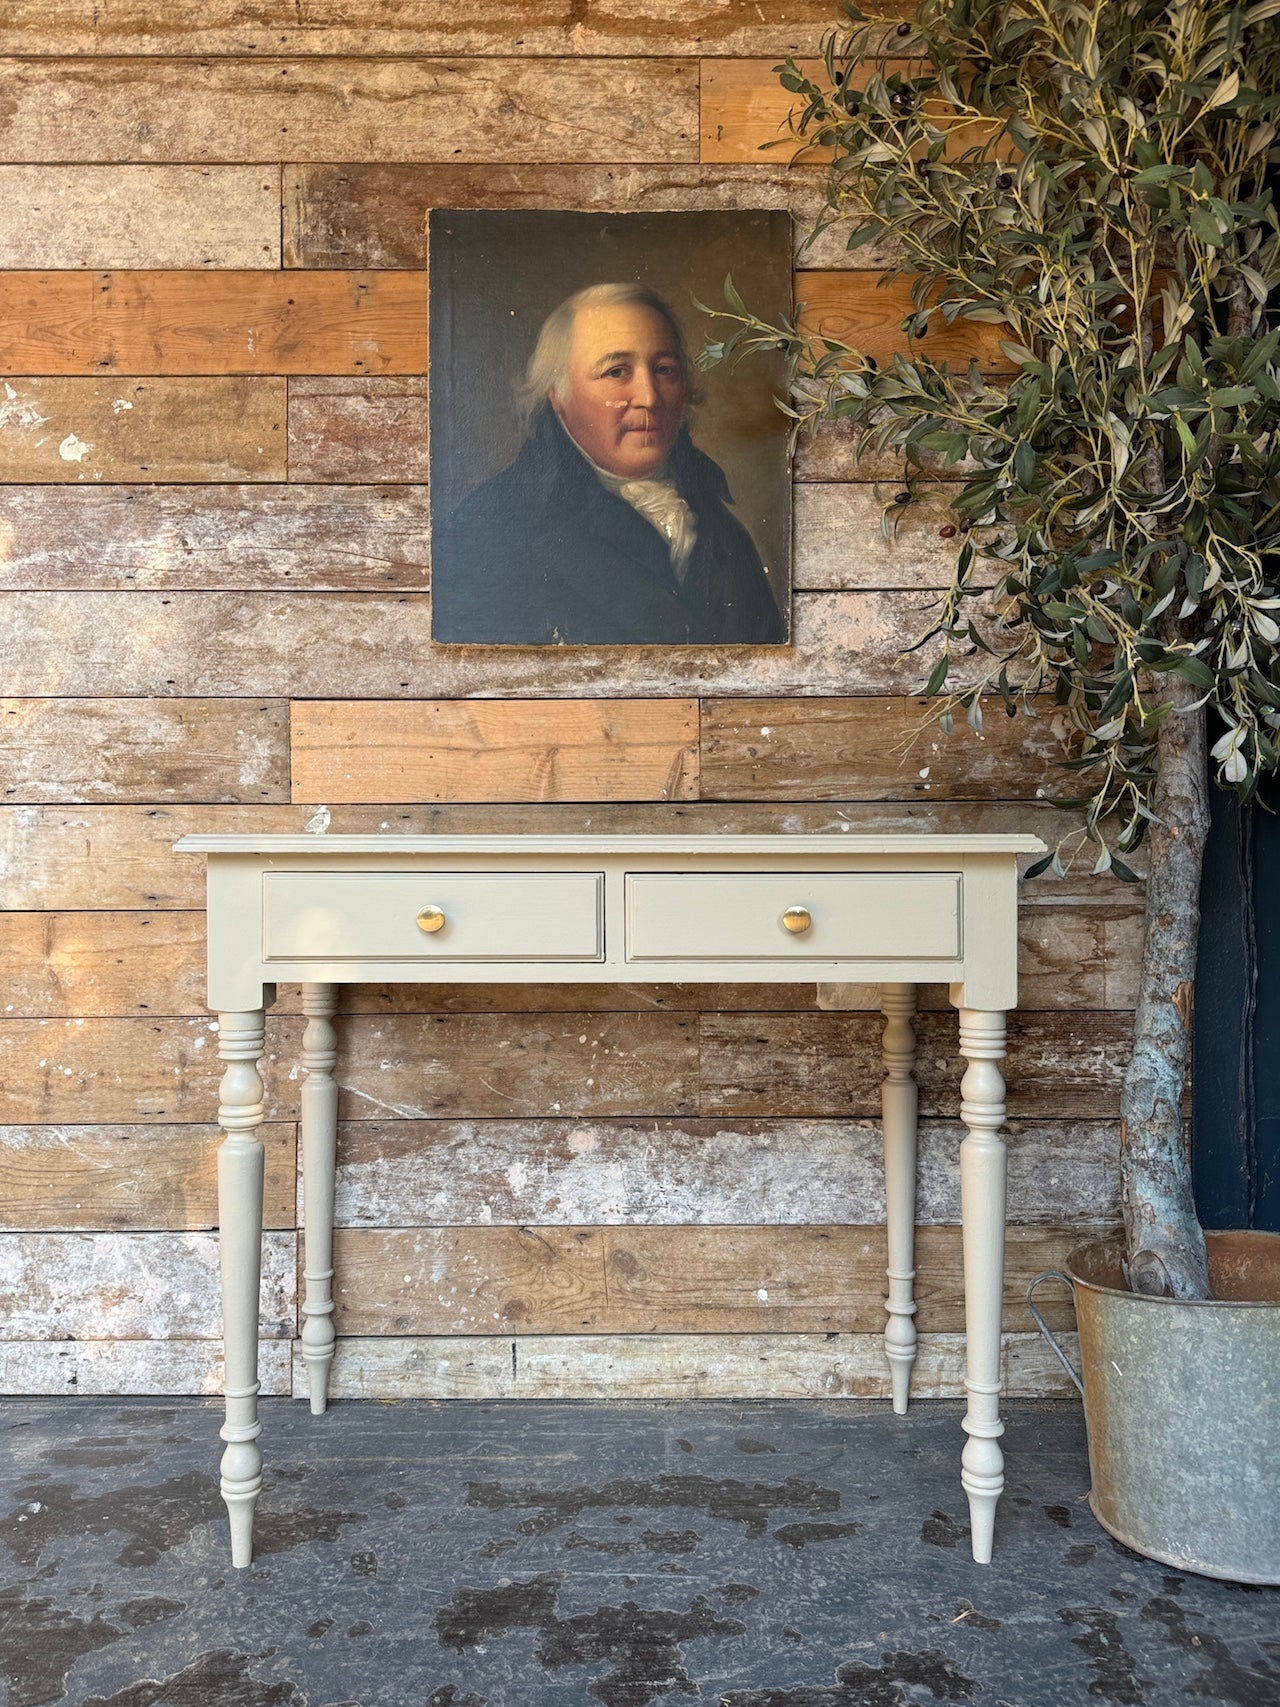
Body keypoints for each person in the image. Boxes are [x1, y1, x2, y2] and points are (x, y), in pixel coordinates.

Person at [431, 282, 787, 645]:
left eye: (664, 369)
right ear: (558, 395)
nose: (649, 397)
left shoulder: (721, 527)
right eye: (616, 372)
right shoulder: (485, 533)